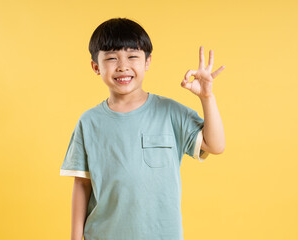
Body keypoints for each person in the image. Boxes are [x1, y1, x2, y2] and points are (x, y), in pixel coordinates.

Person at [60, 17, 225, 240]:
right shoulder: (89, 122)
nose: (122, 66)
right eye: (111, 58)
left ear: (147, 62)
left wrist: (207, 97)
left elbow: (215, 145)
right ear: (95, 67)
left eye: (132, 56)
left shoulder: (169, 112)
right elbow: (82, 184)